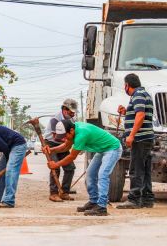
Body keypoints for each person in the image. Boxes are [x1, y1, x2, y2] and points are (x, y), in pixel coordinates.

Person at [45, 120, 122, 216]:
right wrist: (51, 150)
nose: (64, 139)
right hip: (102, 149)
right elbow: (65, 146)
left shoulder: (81, 134)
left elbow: (72, 156)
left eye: (65, 136)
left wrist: (56, 165)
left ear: (71, 131)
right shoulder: (72, 130)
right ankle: (94, 202)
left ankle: (102, 207)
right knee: (90, 174)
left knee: (102, 175)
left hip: (112, 148)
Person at [117, 73, 155, 209]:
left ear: (127, 85)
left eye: (124, 85)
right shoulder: (144, 94)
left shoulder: (137, 95)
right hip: (147, 138)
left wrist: (131, 135)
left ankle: (134, 199)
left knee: (136, 169)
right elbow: (137, 112)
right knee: (144, 170)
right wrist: (126, 111)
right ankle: (147, 199)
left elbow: (140, 115)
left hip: (140, 138)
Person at [43, 98, 78, 202]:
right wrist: (71, 141)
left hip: (63, 144)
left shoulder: (72, 119)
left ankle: (64, 192)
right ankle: (53, 193)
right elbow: (56, 137)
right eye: (71, 112)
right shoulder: (55, 119)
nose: (72, 114)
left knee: (70, 168)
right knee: (55, 167)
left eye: (74, 113)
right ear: (64, 109)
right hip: (51, 143)